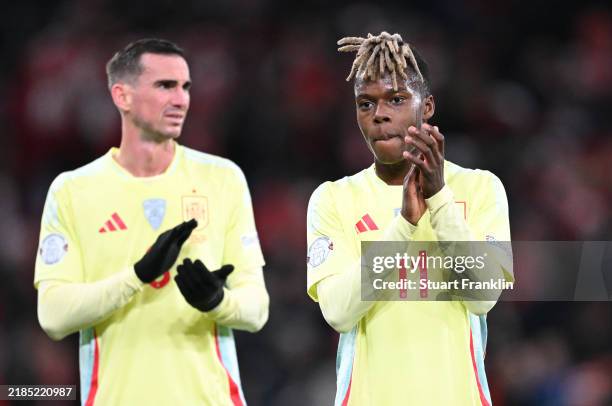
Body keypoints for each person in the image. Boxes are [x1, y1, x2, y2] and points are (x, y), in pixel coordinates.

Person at [34, 38, 269, 406]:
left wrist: (217, 301)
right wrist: (137, 276)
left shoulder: (222, 179)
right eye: (165, 86)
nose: (181, 99)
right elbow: (53, 315)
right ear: (122, 96)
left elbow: (257, 309)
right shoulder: (73, 190)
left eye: (185, 87)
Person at [306, 32, 513, 405]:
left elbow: (483, 296)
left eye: (397, 99)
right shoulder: (333, 198)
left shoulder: (481, 188)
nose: (380, 114)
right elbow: (338, 312)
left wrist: (440, 198)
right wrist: (403, 225)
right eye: (366, 104)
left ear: (427, 106)